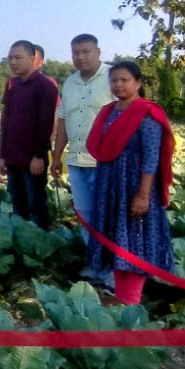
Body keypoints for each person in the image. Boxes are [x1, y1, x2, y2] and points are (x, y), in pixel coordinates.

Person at [85, 60, 176, 305]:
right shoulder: (109, 111)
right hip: (111, 185)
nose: (118, 84)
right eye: (114, 80)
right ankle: (121, 296)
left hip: (134, 186)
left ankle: (131, 301)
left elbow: (151, 157)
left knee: (134, 240)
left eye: (124, 80)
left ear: (138, 82)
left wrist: (143, 195)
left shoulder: (147, 114)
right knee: (115, 237)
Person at [51, 33, 114, 280]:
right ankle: (96, 265)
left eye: (86, 51)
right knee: (86, 216)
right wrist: (56, 157)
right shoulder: (70, 83)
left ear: (98, 52)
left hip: (105, 163)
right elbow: (64, 121)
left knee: (107, 215)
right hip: (77, 161)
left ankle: (112, 273)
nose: (80, 57)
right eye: (76, 52)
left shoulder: (113, 79)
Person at [0, 40, 59, 227]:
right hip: (13, 155)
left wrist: (39, 155)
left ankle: (40, 243)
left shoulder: (45, 86)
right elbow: (6, 120)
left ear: (33, 59)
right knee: (17, 202)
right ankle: (21, 243)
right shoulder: (13, 85)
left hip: (33, 158)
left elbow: (45, 123)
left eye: (18, 57)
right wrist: (2, 155)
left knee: (36, 203)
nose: (13, 62)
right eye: (10, 58)